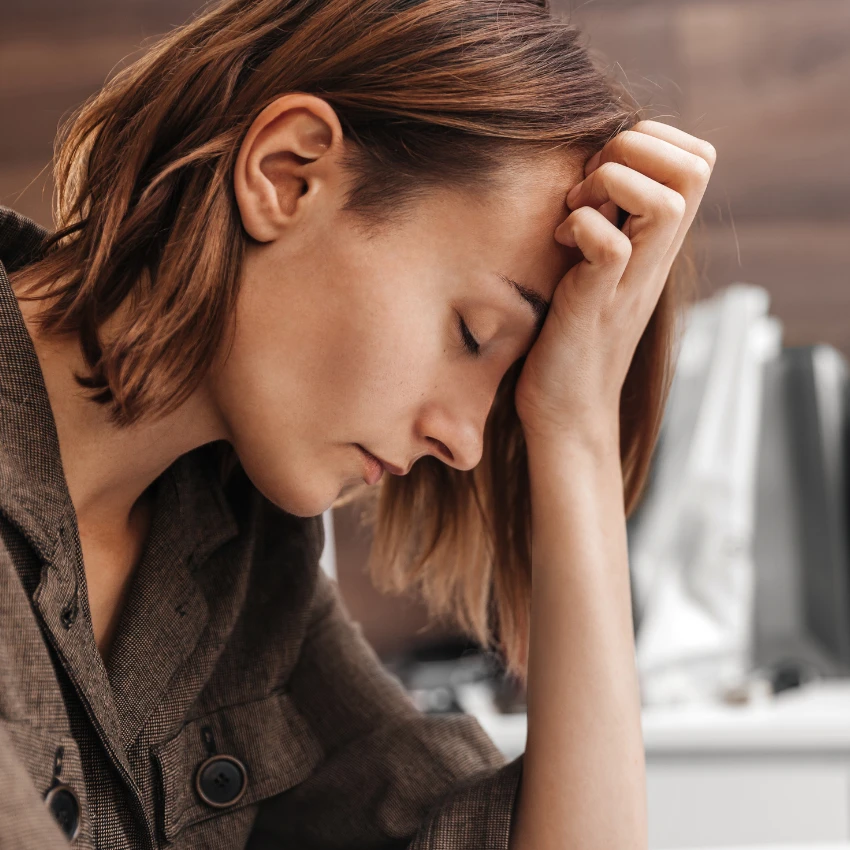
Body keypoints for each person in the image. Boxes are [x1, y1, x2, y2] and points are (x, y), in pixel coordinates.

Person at [0, 0, 714, 847]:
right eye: (473, 334)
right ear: (288, 174)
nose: (467, 444)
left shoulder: (242, 562)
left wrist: (576, 428)